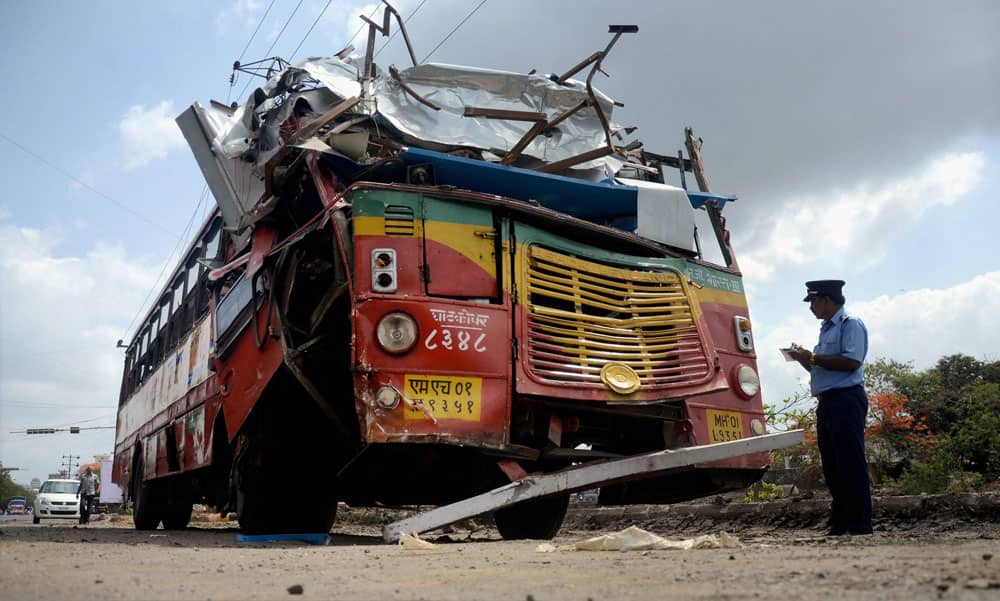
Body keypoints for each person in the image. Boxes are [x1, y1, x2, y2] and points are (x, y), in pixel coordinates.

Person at [787, 279, 873, 536]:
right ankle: (841, 522)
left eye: (813, 301)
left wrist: (812, 357)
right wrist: (805, 359)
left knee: (851, 463)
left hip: (847, 399)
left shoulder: (851, 324)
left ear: (827, 300)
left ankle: (859, 525)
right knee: (833, 465)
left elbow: (851, 362)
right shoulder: (826, 329)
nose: (811, 307)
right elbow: (821, 367)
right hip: (827, 401)